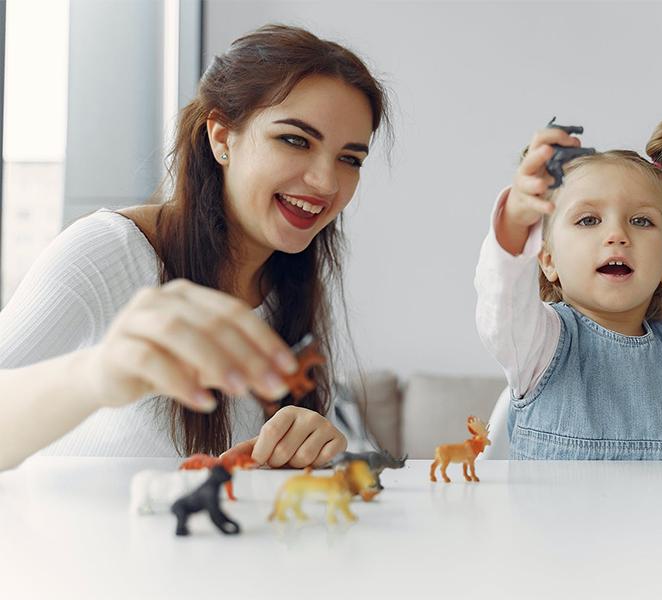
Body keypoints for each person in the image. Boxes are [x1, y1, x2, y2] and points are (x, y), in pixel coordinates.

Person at [0, 24, 390, 471]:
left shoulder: (287, 284)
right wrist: (96, 374)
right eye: (295, 140)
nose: (326, 182)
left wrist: (304, 444)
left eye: (349, 159)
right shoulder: (108, 252)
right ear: (222, 138)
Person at [474, 118, 662, 476]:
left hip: (661, 529)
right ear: (548, 259)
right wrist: (513, 221)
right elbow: (502, 299)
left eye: (641, 221)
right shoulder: (538, 341)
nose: (617, 234)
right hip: (550, 530)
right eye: (588, 220)